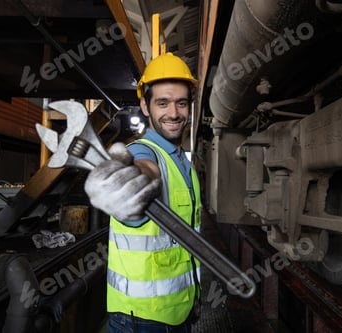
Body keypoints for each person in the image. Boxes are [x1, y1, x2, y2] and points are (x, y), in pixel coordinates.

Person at [84, 52, 202, 333]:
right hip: (141, 321)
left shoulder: (183, 160)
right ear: (145, 106)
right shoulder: (143, 152)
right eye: (162, 103)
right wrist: (129, 184)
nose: (173, 114)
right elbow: (144, 170)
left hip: (179, 310)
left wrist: (193, 299)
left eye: (181, 103)